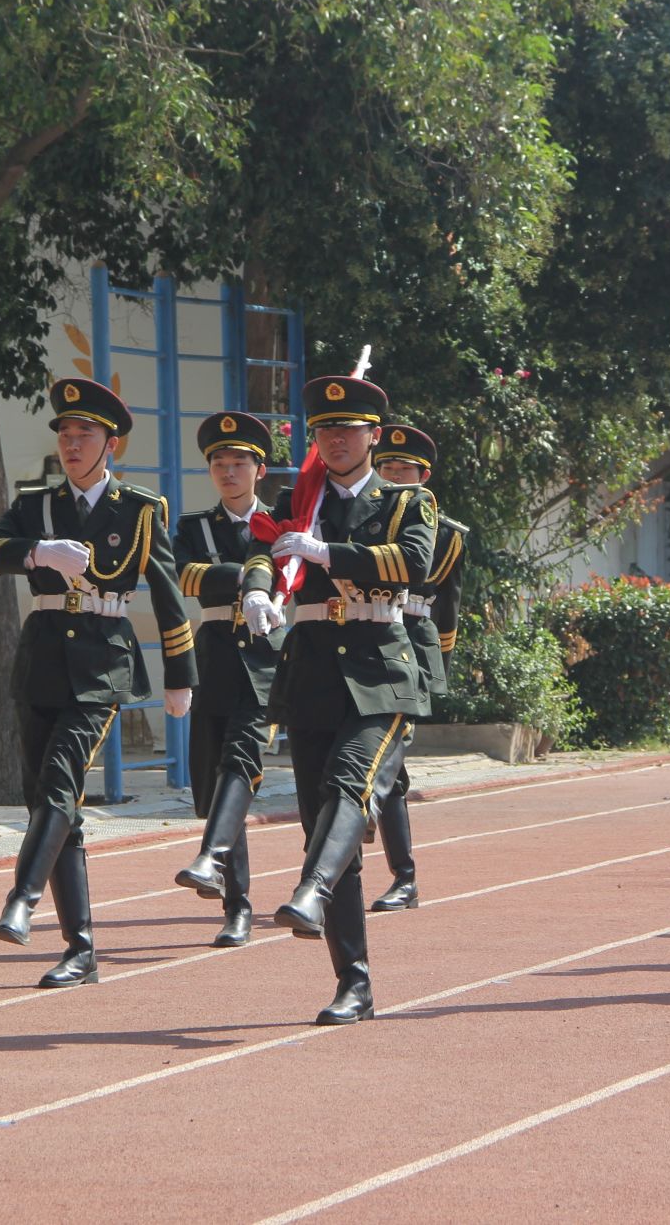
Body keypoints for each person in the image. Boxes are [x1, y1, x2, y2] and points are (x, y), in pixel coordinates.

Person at [0, 377, 196, 988]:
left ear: (109, 443)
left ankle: (22, 898)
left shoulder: (141, 510)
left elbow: (170, 599)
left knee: (62, 779)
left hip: (102, 663)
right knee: (50, 800)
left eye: (84, 434)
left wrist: (181, 677)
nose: (71, 443)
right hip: (41, 662)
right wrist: (37, 554)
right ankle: (82, 948)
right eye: (64, 433)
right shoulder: (36, 506)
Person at [239, 374, 435, 1025]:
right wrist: (259, 591)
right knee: (323, 822)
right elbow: (267, 547)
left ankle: (310, 889)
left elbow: (411, 564)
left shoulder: (407, 501)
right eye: (326, 429)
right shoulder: (303, 498)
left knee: (353, 783)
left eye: (348, 428)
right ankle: (354, 981)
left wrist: (329, 551)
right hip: (314, 673)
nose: (337, 438)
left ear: (373, 436)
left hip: (381, 673)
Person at [171, 411, 282, 947]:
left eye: (239, 462)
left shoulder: (284, 522)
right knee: (213, 785)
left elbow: (292, 572)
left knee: (243, 760)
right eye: (219, 462)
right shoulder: (195, 527)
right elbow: (183, 575)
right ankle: (230, 889)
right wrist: (247, 577)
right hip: (214, 657)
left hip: (267, 663)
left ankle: (231, 894)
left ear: (259, 469)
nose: (228, 471)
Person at [362, 422, 470, 912]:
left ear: (423, 476)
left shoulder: (446, 535)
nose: (393, 476)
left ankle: (396, 868)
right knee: (390, 771)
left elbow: (446, 604)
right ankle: (400, 877)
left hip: (414, 643)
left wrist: (437, 668)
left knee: (390, 755)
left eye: (403, 469)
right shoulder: (362, 517)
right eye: (386, 467)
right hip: (369, 639)